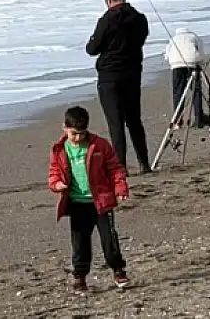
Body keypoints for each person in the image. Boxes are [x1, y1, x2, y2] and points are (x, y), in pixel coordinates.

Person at [47, 105, 131, 293]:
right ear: (65, 128)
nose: (78, 138)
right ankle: (80, 277)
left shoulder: (99, 145)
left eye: (82, 133)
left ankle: (118, 270)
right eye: (74, 134)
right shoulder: (59, 149)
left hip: (101, 201)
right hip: (77, 203)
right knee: (79, 243)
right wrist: (57, 184)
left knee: (109, 240)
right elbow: (53, 173)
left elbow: (115, 168)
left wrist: (120, 187)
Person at [85, 0, 151, 173]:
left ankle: (120, 168)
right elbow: (142, 38)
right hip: (132, 73)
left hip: (110, 76)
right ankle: (144, 163)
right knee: (134, 121)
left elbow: (92, 49)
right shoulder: (139, 19)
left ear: (108, 0)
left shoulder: (106, 20)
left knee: (116, 123)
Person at [163, 27, 210, 132]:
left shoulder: (173, 39)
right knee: (196, 91)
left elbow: (167, 56)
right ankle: (199, 118)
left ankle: (177, 121)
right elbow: (200, 53)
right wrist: (201, 63)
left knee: (178, 93)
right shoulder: (195, 37)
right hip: (192, 63)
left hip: (176, 65)